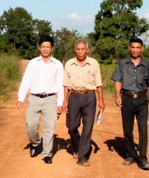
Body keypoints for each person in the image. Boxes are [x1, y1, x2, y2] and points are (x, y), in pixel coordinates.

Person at [16, 34, 64, 165]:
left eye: (48, 47)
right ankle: (35, 143)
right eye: (43, 46)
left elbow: (60, 85)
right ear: (39, 48)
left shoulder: (58, 65)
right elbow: (26, 81)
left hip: (50, 99)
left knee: (49, 128)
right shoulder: (33, 63)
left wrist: (60, 103)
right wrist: (21, 98)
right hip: (34, 99)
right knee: (31, 125)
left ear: (52, 48)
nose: (45, 49)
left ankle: (47, 153)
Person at [111, 36, 149, 170]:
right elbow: (118, 80)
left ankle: (142, 157)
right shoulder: (123, 64)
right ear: (129, 48)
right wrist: (118, 95)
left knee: (143, 129)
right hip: (127, 98)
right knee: (128, 129)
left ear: (142, 49)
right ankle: (131, 154)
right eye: (133, 47)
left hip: (142, 99)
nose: (135, 50)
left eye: (138, 47)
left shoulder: (146, 65)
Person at [63, 39, 105, 167]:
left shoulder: (93, 63)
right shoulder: (69, 64)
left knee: (87, 127)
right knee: (71, 126)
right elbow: (66, 85)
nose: (81, 52)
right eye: (78, 49)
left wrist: (101, 101)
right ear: (75, 50)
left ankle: (82, 157)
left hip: (89, 97)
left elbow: (98, 83)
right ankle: (77, 146)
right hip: (74, 96)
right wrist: (65, 101)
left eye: (83, 49)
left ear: (87, 50)